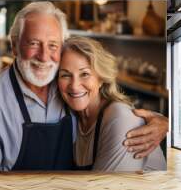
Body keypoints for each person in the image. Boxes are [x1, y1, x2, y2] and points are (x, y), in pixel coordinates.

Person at [0, 1, 168, 171]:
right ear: (14, 45)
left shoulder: (68, 91)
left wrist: (165, 124)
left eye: (52, 45)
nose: (43, 56)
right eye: (33, 43)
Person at [58, 36, 166, 171]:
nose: (74, 86)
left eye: (84, 74)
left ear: (101, 79)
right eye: (65, 75)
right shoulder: (71, 116)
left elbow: (108, 188)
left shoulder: (120, 118)